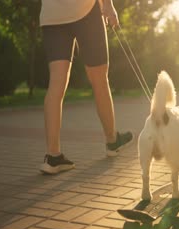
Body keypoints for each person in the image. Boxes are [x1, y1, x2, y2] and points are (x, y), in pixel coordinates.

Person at [39, 0, 132, 174]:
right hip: (85, 10)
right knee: (99, 80)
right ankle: (112, 140)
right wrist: (108, 5)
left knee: (56, 84)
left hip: (52, 15)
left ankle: (53, 156)